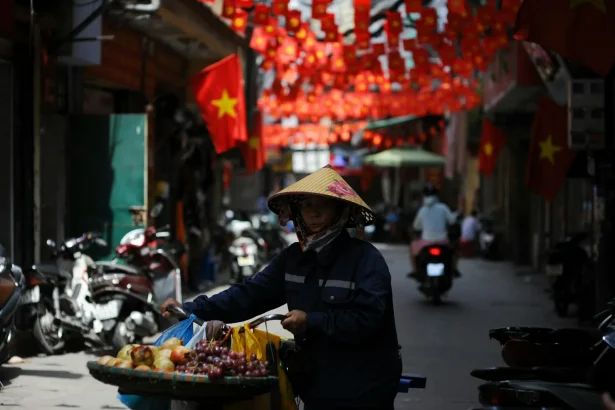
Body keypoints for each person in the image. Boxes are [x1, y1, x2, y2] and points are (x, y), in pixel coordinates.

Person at [161, 165, 402, 410]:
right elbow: (250, 294)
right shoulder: (293, 259)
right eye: (307, 205)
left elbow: (368, 319)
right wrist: (191, 309)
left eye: (323, 204)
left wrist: (311, 321)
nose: (314, 212)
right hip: (317, 385)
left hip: (366, 387)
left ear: (340, 210)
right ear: (297, 212)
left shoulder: (366, 260)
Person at [408, 183, 457, 278]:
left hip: (426, 242)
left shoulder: (422, 210)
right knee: (454, 251)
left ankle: (414, 270)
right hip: (443, 241)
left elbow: (416, 226)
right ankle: (454, 269)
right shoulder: (443, 207)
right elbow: (452, 220)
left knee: (412, 249)